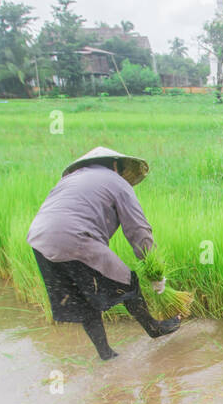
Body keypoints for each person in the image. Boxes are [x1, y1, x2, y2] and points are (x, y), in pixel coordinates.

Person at [27, 146, 181, 362]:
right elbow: (138, 230)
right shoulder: (117, 182)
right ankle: (154, 328)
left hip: (39, 241)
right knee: (128, 282)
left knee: (83, 301)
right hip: (76, 238)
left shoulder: (68, 181)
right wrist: (156, 273)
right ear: (116, 165)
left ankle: (106, 354)